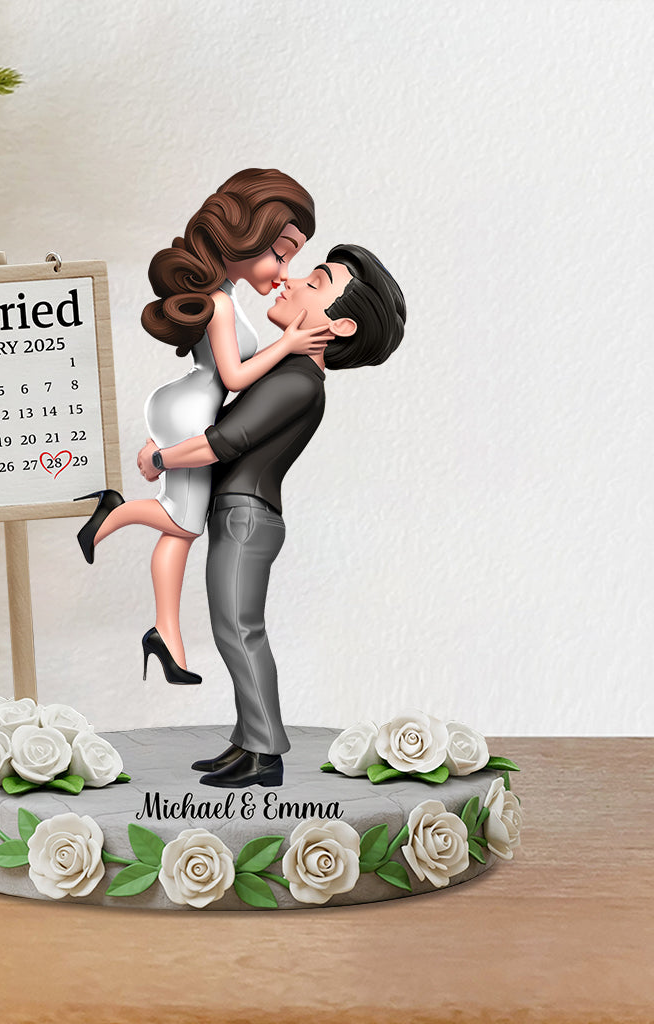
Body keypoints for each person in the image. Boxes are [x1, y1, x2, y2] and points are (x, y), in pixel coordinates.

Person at [138, 244, 406, 787]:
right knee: (233, 629)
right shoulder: (284, 370)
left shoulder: (297, 381)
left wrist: (161, 459)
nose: (294, 279)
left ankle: (264, 753)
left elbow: (223, 441)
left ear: (340, 325)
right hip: (239, 515)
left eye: (317, 281)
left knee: (239, 631)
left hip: (246, 517)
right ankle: (247, 741)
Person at [75, 169, 331, 684]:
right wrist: (288, 344)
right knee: (183, 523)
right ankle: (114, 512)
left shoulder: (225, 296)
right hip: (193, 409)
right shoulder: (219, 302)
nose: (284, 272)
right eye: (281, 254)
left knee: (180, 531)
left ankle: (166, 637)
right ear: (246, 237)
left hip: (187, 406)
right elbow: (233, 377)